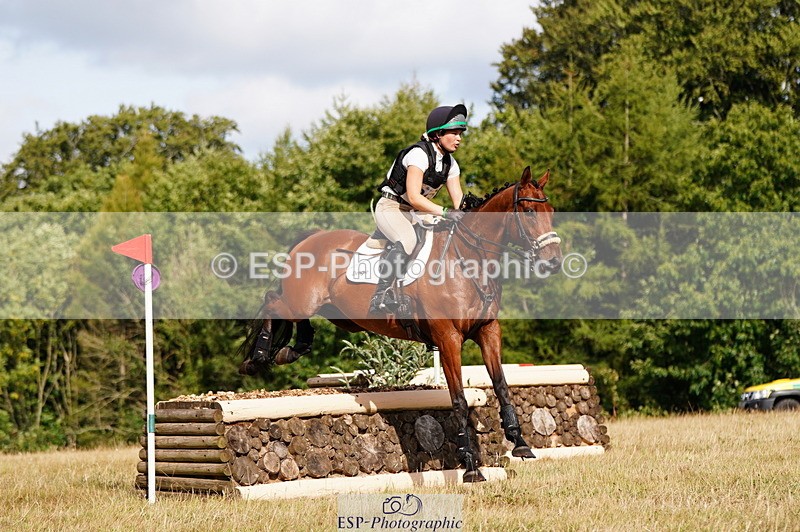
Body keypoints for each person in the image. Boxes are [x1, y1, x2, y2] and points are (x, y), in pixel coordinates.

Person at [368, 104, 468, 315]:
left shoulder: (451, 165)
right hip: (392, 207)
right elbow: (413, 197)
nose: (459, 138)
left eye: (460, 134)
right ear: (438, 133)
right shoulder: (418, 155)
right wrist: (445, 212)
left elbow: (459, 201)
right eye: (454, 133)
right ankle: (382, 294)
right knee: (408, 241)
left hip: (418, 213)